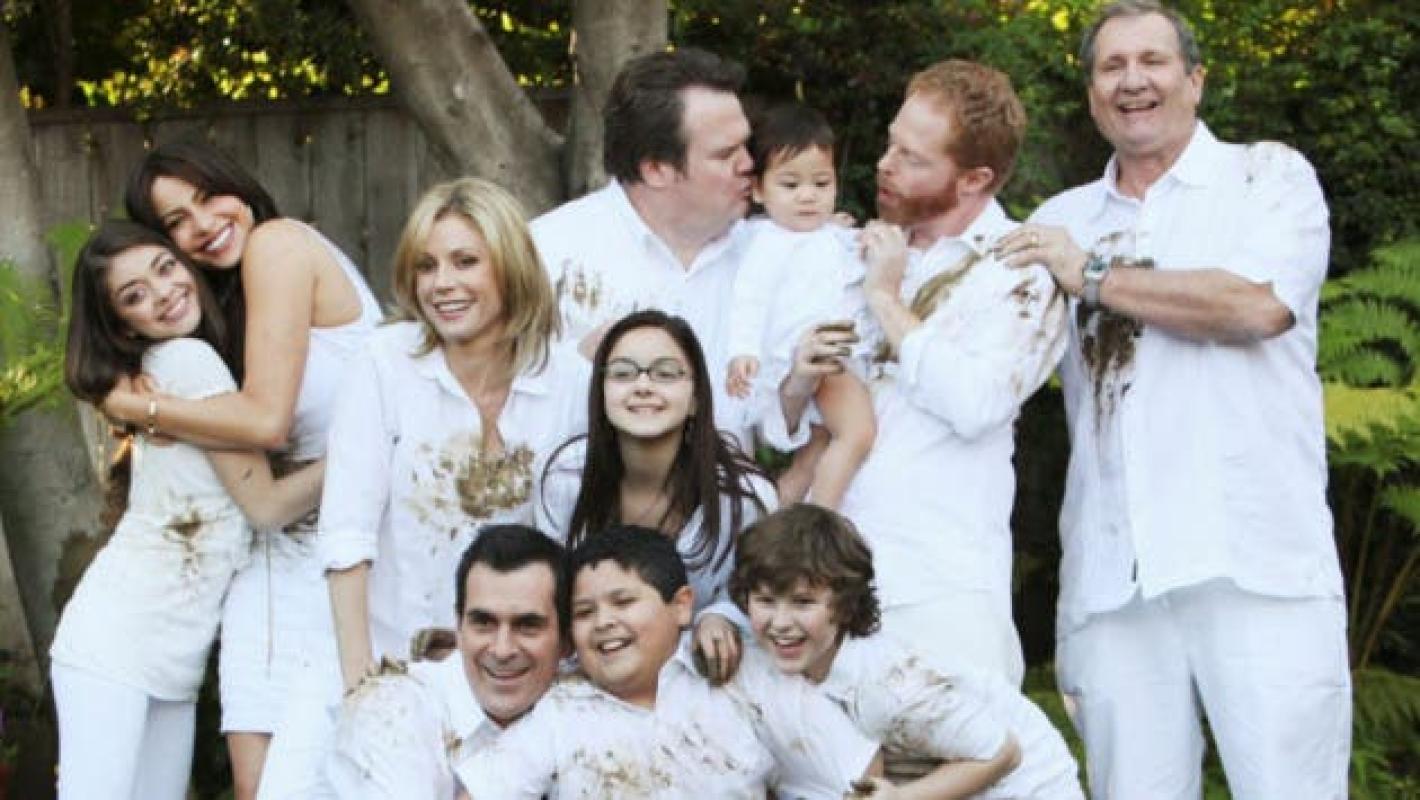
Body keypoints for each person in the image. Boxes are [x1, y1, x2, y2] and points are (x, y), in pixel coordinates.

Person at [996, 2, 1350, 797]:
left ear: (1195, 79)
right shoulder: (1063, 221)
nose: (1133, 81)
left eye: (1152, 60)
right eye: (1112, 66)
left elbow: (1256, 306)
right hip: (1114, 580)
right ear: (1091, 95)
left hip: (1257, 566)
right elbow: (980, 355)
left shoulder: (1267, 178)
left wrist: (1092, 277)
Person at [773, 60, 1067, 687]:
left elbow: (977, 403)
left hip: (938, 589)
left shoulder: (1019, 271)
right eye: (890, 144)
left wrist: (885, 298)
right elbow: (781, 425)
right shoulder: (849, 251)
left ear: (974, 179)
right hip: (818, 585)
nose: (885, 164)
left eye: (912, 157)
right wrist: (795, 379)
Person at [103, 139, 382, 797]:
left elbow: (266, 423)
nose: (203, 224)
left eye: (209, 197)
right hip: (280, 553)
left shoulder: (276, 245)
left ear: (239, 184)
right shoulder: (227, 306)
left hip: (345, 552)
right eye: (177, 221)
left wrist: (136, 407)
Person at [53, 221, 326, 800]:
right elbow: (266, 506)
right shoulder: (185, 360)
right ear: (121, 324)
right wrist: (363, 454)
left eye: (165, 267)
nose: (164, 292)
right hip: (116, 643)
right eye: (135, 295)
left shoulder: (170, 373)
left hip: (172, 656)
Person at [320, 177, 587, 692]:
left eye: (465, 262)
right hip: (392, 656)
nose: (441, 283)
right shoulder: (384, 362)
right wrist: (361, 682)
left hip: (519, 671)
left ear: (510, 265)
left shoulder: (569, 379)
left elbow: (577, 539)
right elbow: (346, 531)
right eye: (426, 266)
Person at [455, 525, 879, 798]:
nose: (604, 622)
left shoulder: (739, 675)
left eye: (624, 602)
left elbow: (858, 771)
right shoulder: (563, 709)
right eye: (584, 612)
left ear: (681, 606)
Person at [732, 504, 1086, 799]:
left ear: (844, 606)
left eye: (802, 603)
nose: (781, 622)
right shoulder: (803, 662)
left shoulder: (885, 686)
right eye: (766, 600)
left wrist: (903, 797)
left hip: (1027, 785)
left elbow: (1002, 752)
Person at [531, 47, 778, 448]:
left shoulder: (768, 252)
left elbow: (785, 423)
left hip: (734, 488)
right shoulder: (545, 255)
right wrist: (581, 366)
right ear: (656, 169)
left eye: (746, 146)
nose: (749, 164)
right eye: (725, 154)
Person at [538, 309, 774, 683]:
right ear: (601, 393)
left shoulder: (742, 498)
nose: (643, 386)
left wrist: (720, 616)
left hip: (704, 679)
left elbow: (763, 595)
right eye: (623, 374)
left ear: (696, 398)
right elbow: (550, 590)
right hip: (591, 673)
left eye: (665, 373)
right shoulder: (565, 478)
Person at [321, 525, 567, 800]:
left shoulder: (581, 708)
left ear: (566, 641)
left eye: (527, 625)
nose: (502, 650)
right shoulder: (391, 710)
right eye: (484, 623)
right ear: (458, 628)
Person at [725, 102, 876, 507]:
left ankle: (774, 520)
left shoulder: (827, 234)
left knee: (814, 453)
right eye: (790, 185)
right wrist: (743, 350)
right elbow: (749, 298)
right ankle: (822, 518)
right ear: (759, 190)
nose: (807, 196)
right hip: (816, 357)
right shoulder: (766, 242)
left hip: (827, 355)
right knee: (857, 432)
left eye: (821, 184)